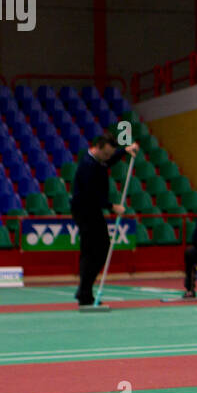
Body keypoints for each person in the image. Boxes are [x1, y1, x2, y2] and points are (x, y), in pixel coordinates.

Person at [69, 131, 139, 309]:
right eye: (106, 153)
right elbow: (91, 193)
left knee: (99, 250)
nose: (108, 157)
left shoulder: (98, 160)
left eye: (110, 154)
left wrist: (125, 151)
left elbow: (109, 160)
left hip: (92, 210)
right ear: (97, 148)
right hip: (85, 210)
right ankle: (84, 294)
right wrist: (112, 206)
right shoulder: (87, 166)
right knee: (92, 251)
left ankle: (84, 291)